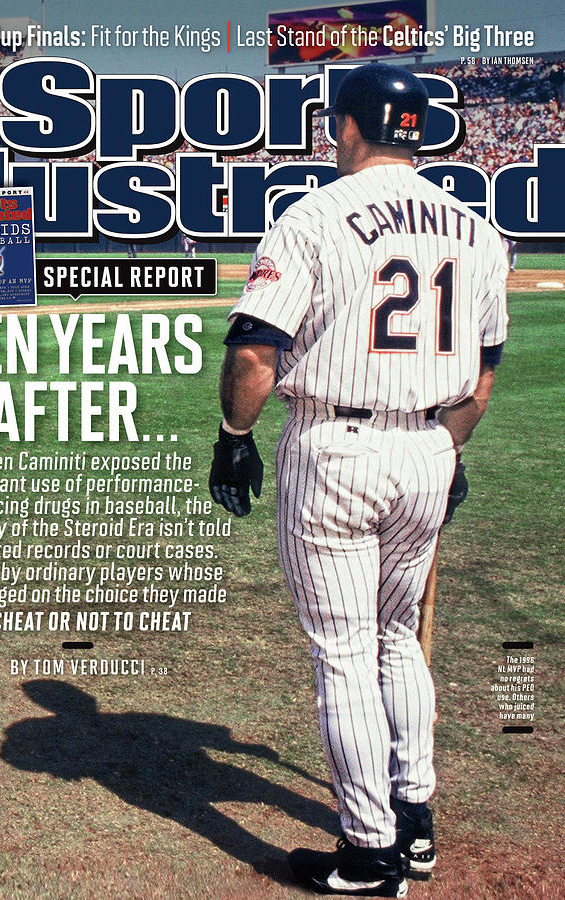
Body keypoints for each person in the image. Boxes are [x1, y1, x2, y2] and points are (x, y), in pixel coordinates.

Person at [209, 63, 508, 897]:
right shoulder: (479, 230)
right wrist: (446, 450)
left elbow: (256, 353)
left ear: (348, 127)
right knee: (397, 638)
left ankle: (370, 853)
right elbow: (482, 380)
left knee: (343, 651)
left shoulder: (311, 217)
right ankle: (415, 819)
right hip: (430, 444)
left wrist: (235, 437)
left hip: (337, 446)